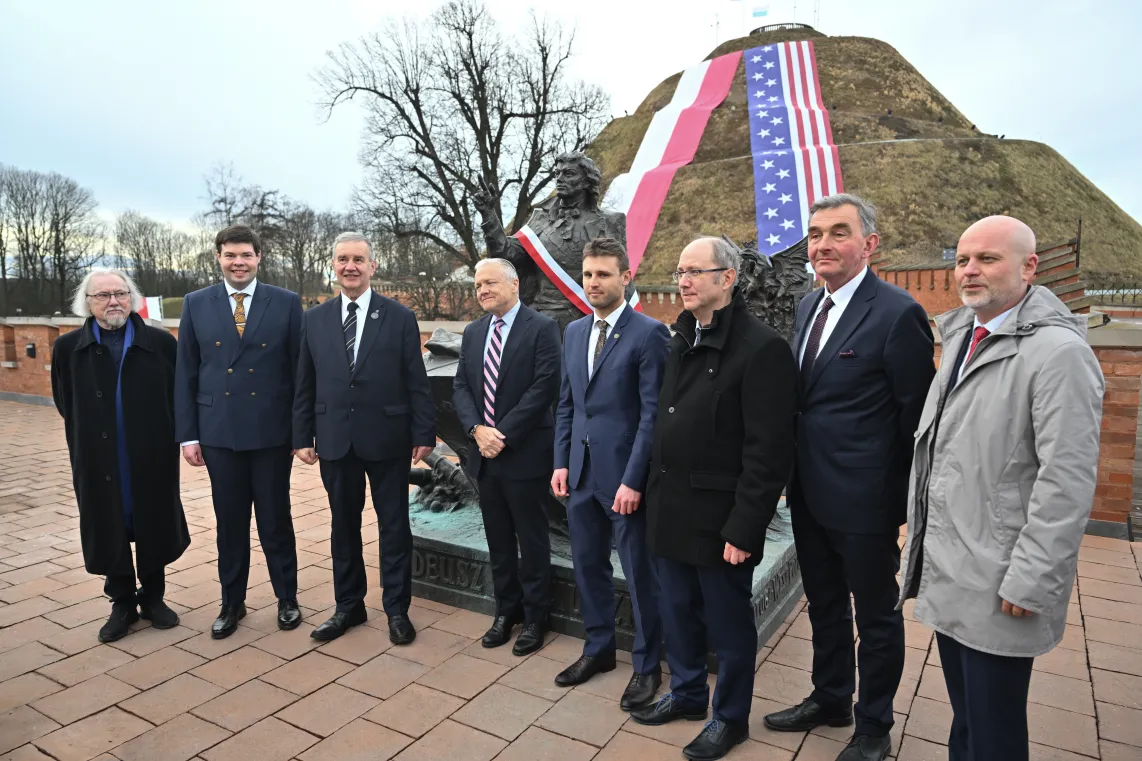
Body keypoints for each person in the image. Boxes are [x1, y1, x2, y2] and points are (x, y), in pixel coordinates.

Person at [898, 216, 1103, 761]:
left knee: (994, 734)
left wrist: (1034, 578)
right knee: (967, 721)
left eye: (988, 259)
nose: (970, 270)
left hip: (1002, 578)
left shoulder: (1059, 355)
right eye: (963, 259)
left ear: (1028, 266)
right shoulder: (964, 333)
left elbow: (1067, 481)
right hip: (954, 565)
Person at [764, 195, 934, 761]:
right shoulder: (809, 304)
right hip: (808, 493)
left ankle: (875, 726)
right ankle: (831, 696)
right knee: (824, 604)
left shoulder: (897, 312)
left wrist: (900, 503)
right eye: (815, 234)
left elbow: (915, 417)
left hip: (866, 502)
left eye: (839, 233)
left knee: (876, 617)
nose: (823, 245)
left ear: (870, 244)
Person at [634, 237, 797, 761]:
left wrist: (745, 526)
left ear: (726, 279)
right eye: (679, 271)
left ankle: (729, 718)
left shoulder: (761, 347)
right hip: (670, 507)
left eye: (695, 272)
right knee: (677, 612)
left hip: (720, 519)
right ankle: (685, 694)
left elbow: (767, 450)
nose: (682, 280)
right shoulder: (681, 336)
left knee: (727, 625)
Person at [293, 232, 436, 644]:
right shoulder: (314, 319)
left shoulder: (399, 317)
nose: (350, 266)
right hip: (335, 439)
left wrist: (423, 431)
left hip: (388, 438)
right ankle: (348, 607)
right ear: (333, 266)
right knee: (344, 526)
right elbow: (305, 381)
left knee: (394, 526)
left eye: (358, 259)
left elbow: (416, 381)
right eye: (342, 259)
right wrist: (301, 433)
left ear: (373, 267)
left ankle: (397, 610)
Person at [550, 237, 669, 710]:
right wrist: (560, 461)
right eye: (588, 275)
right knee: (588, 567)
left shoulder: (648, 334)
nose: (593, 283)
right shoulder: (575, 332)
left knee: (640, 574)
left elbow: (652, 415)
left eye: (603, 274)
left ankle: (646, 666)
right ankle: (597, 649)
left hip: (625, 482)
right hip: (579, 476)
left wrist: (634, 480)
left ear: (626, 278)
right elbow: (567, 404)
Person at [175, 224, 302, 640]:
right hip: (218, 433)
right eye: (230, 255)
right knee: (229, 522)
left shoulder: (285, 303)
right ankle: (232, 602)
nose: (238, 262)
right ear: (218, 258)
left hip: (271, 433)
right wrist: (188, 435)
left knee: (274, 519)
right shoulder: (196, 303)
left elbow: (300, 373)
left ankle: (287, 598)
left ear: (259, 257)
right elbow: (186, 373)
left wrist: (301, 433)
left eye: (245, 255)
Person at [51, 268, 190, 643]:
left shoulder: (161, 344)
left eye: (121, 293)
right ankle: (122, 603)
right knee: (107, 521)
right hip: (97, 455)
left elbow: (177, 397)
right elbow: (65, 402)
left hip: (149, 454)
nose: (114, 302)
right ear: (88, 302)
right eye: (103, 296)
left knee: (153, 519)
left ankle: (154, 598)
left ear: (132, 298)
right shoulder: (67, 348)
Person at [453, 258, 561, 656]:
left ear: (514, 284)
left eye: (490, 282)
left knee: (531, 540)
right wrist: (476, 431)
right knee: (498, 540)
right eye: (478, 284)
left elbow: (545, 386)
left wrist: (504, 434)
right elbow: (462, 386)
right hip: (484, 455)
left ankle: (536, 618)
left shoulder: (543, 328)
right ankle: (506, 612)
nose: (482, 289)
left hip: (525, 453)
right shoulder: (474, 332)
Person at [474, 152, 627, 335]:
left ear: (587, 181)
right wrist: (489, 215)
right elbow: (506, 256)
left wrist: (627, 325)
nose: (559, 179)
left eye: (568, 173)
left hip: (587, 320)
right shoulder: (540, 220)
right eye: (557, 173)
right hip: (541, 321)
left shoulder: (610, 221)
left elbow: (621, 274)